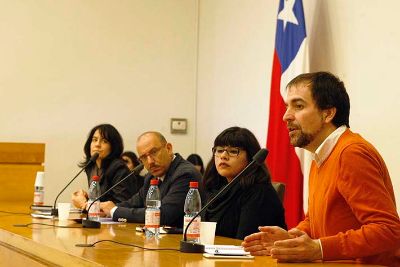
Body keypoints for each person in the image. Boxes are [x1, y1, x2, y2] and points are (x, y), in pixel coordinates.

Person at [242, 72, 400, 265]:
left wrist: (319, 249)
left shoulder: (350, 153)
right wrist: (292, 239)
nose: (286, 116)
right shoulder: (321, 154)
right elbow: (315, 221)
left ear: (327, 113)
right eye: (287, 107)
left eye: (298, 106)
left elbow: (388, 230)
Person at [100, 131, 204, 227]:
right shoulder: (151, 176)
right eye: (144, 157)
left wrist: (114, 211)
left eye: (154, 152)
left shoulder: (185, 174)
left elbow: (162, 215)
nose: (150, 162)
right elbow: (134, 203)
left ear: (168, 148)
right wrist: (103, 209)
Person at [203, 126, 286, 240]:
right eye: (219, 150)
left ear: (251, 157)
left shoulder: (259, 193)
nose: (223, 156)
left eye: (233, 151)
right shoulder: (215, 188)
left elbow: (245, 244)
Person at [71, 124, 137, 210]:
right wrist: (85, 198)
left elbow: (120, 206)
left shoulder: (119, 169)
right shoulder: (91, 167)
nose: (97, 144)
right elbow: (100, 200)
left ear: (113, 147)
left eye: (104, 141)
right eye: (94, 140)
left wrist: (85, 204)